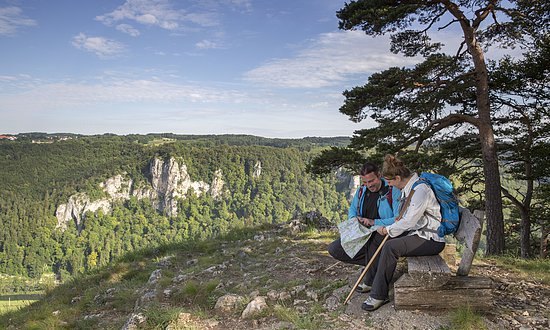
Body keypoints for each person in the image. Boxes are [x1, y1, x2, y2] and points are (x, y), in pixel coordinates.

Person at [361, 155, 446, 311]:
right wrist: (385, 230)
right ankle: (370, 279)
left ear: (398, 178)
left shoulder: (420, 191)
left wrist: (388, 229)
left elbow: (409, 221)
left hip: (430, 239)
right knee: (379, 238)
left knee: (391, 247)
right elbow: (405, 218)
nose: (390, 185)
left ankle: (379, 295)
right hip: (417, 233)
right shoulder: (411, 188)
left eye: (391, 182)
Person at [328, 161, 401, 292]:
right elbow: (352, 210)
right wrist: (354, 220)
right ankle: (374, 264)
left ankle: (371, 277)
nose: (369, 185)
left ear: (379, 175)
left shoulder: (392, 190)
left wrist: (374, 222)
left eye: (371, 181)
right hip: (363, 231)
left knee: (376, 240)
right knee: (335, 249)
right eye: (365, 182)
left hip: (383, 232)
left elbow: (397, 218)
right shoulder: (362, 190)